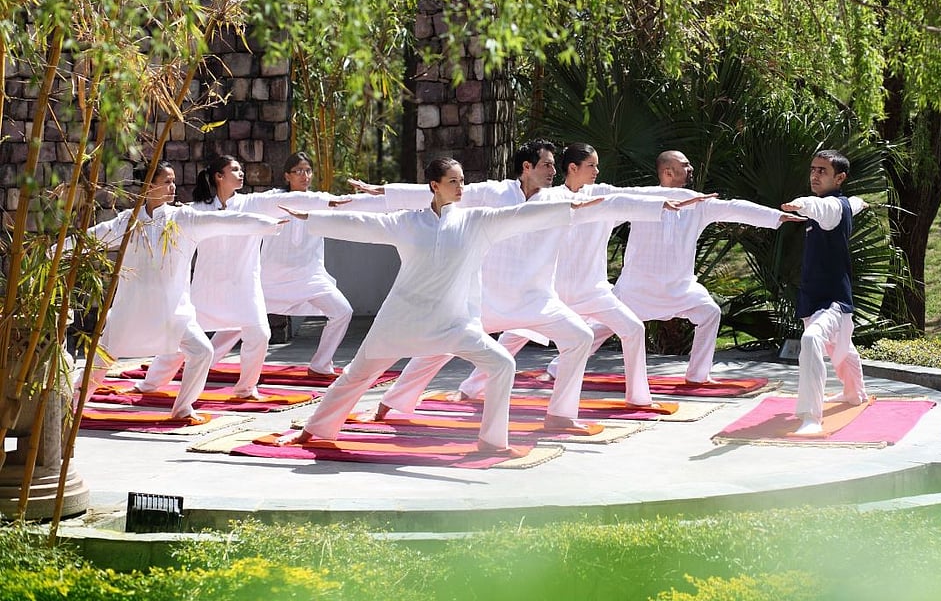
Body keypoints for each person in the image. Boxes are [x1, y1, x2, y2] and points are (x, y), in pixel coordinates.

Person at [277, 158, 599, 454]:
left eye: (462, 181)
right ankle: (312, 430)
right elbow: (362, 223)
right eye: (453, 182)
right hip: (400, 321)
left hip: (453, 324)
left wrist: (568, 207)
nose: (461, 188)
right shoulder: (407, 222)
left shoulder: (475, 221)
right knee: (356, 376)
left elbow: (518, 216)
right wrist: (312, 218)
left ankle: (492, 442)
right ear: (434, 185)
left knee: (502, 364)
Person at [357, 140, 680, 430]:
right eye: (547, 165)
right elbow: (439, 191)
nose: (554, 171)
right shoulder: (494, 192)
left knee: (580, 337)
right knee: (440, 347)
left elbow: (612, 203)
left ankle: (560, 415)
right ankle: (392, 402)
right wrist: (386, 193)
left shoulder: (558, 198)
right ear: (527, 167)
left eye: (555, 165)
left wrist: (656, 205)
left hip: (536, 299)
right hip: (489, 297)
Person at [70, 161, 285, 422]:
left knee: (202, 351)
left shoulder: (182, 218)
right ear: (149, 186)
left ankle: (183, 408)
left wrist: (267, 223)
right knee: (101, 360)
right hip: (131, 309)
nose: (173, 187)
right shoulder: (126, 222)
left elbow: (226, 220)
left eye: (173, 181)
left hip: (173, 311)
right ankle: (71, 404)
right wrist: (55, 253)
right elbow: (92, 238)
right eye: (166, 182)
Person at [139, 155, 345, 400]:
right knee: (181, 340)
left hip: (245, 289)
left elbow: (290, 198)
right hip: (208, 289)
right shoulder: (198, 209)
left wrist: (328, 201)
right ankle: (150, 384)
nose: (241, 173)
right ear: (219, 176)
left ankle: (246, 388)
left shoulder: (253, 203)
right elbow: (164, 220)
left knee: (259, 335)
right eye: (235, 170)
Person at [598, 150, 802, 384]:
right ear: (668, 172)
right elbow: (607, 198)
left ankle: (697, 375)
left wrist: (776, 217)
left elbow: (734, 208)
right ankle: (557, 367)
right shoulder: (643, 197)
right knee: (600, 326)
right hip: (637, 287)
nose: (691, 169)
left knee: (710, 313)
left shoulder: (699, 204)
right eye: (685, 165)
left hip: (680, 287)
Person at [525, 143, 706, 406]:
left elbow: (632, 194)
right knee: (515, 334)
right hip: (550, 290)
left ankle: (638, 398)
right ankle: (473, 386)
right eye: (592, 166)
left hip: (592, 290)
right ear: (573, 168)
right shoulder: (547, 198)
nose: (597, 170)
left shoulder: (602, 194)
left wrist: (669, 199)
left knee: (632, 329)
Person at [781, 149, 869, 435]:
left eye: (823, 171)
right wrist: (860, 202)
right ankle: (854, 393)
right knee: (840, 347)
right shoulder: (841, 204)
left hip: (832, 299)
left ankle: (810, 416)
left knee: (811, 340)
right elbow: (851, 204)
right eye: (813, 169)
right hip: (814, 296)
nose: (815, 175)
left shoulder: (828, 207)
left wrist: (798, 203)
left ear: (839, 178)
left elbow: (819, 208)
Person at [258, 152, 355, 378]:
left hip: (310, 276)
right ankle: (208, 359)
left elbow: (349, 206)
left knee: (342, 312)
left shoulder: (320, 200)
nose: (305, 175)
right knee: (241, 317)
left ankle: (320, 365)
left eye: (308, 171)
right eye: (298, 171)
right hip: (272, 276)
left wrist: (386, 199)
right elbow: (240, 205)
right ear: (287, 176)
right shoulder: (272, 200)